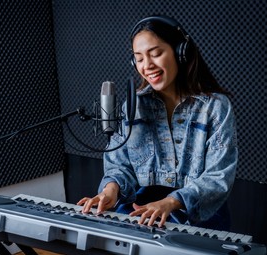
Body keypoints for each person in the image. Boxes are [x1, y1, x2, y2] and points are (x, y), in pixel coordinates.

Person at [77, 15, 238, 231]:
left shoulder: (216, 107)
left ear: (180, 53)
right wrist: (110, 190)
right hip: (143, 210)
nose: (147, 65)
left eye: (156, 54)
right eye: (139, 58)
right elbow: (120, 164)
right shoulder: (133, 107)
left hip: (198, 216)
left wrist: (170, 202)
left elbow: (218, 177)